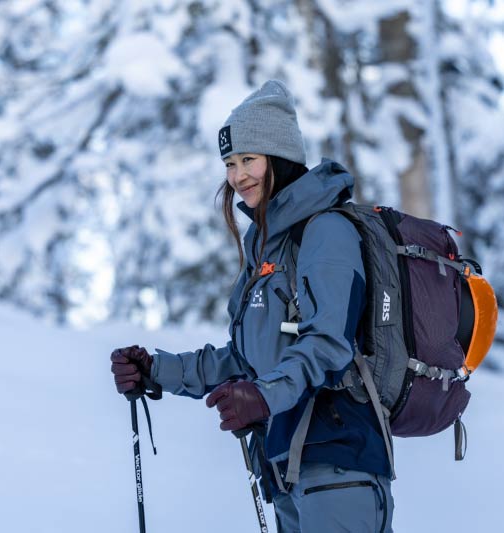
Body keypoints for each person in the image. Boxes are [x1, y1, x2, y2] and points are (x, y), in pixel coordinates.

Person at [110, 80, 394, 533]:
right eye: (229, 163)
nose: (237, 176)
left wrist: (263, 395)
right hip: (286, 467)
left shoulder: (325, 231)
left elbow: (329, 344)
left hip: (339, 465)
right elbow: (247, 360)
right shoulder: (266, 245)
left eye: (249, 159)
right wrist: (156, 371)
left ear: (279, 157)